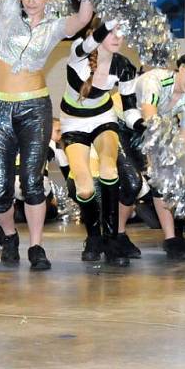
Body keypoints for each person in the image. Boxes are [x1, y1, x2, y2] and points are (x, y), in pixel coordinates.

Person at [0, 0, 93, 270]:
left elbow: (84, 17)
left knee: (33, 180)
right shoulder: (7, 11)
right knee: (1, 185)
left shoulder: (57, 25)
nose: (30, 1)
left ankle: (35, 246)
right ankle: (9, 236)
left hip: (34, 108)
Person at [60, 18, 138, 266]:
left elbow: (131, 109)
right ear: (96, 33)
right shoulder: (78, 54)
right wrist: (110, 18)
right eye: (111, 32)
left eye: (121, 32)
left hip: (104, 119)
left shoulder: (124, 66)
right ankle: (94, 238)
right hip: (73, 124)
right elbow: (88, 43)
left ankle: (112, 239)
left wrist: (143, 125)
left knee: (108, 168)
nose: (117, 37)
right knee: (84, 188)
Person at [130, 52, 185, 259]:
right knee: (130, 184)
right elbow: (149, 118)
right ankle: (118, 234)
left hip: (155, 131)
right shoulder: (154, 80)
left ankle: (171, 238)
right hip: (127, 125)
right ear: (180, 68)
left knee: (166, 179)